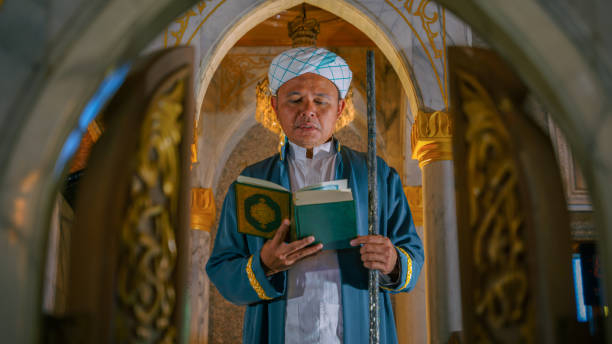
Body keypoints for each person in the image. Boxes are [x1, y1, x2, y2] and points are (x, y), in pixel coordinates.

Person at [206, 47, 424, 344]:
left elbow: (412, 254)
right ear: (274, 106)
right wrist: (264, 264)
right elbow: (222, 267)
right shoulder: (251, 182)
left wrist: (392, 261)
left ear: (340, 107)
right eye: (294, 100)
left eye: (320, 101)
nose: (307, 110)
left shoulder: (376, 175)